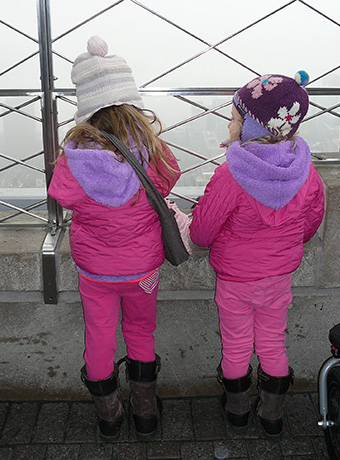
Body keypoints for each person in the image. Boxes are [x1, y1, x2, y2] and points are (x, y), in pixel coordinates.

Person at [48, 36, 181, 442]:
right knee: (141, 332)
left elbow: (60, 193)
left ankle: (109, 417)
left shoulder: (73, 158)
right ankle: (145, 415)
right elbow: (172, 175)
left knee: (99, 337)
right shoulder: (152, 151)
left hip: (96, 272)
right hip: (142, 269)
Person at [190, 71, 324, 440]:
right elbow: (310, 224)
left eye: (234, 117)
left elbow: (201, 232)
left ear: (252, 126)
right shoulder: (306, 171)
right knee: (272, 342)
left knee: (236, 345)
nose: (228, 123)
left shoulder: (232, 172)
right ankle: (272, 416)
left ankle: (237, 412)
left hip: (235, 279)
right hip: (278, 276)